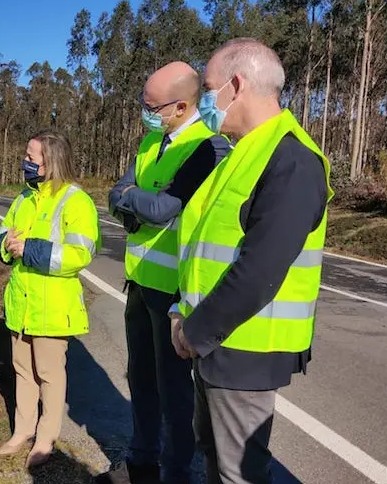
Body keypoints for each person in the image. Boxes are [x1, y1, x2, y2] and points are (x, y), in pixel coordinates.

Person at [169, 38, 332, 484]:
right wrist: (178, 312)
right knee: (215, 460)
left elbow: (259, 272)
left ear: (235, 86)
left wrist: (194, 330)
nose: (203, 99)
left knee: (238, 473)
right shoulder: (239, 154)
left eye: (207, 88)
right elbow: (202, 251)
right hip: (211, 340)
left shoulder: (291, 160)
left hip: (243, 350)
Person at [98, 62, 231, 484]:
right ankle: (141, 461)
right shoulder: (152, 140)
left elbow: (164, 208)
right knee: (140, 378)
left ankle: (174, 472)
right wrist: (133, 199)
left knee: (174, 393)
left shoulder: (207, 147)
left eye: (151, 105)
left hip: (173, 290)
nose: (145, 110)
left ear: (180, 105)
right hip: (138, 282)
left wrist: (133, 199)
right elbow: (115, 195)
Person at [0, 130, 102, 468]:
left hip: (53, 306)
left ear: (50, 162)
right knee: (22, 370)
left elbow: (81, 254)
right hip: (21, 303)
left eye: (31, 156)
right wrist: (5, 243)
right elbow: (0, 232)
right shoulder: (24, 198)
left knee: (50, 375)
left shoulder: (76, 201)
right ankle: (22, 430)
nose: (25, 161)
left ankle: (45, 438)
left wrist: (31, 249)